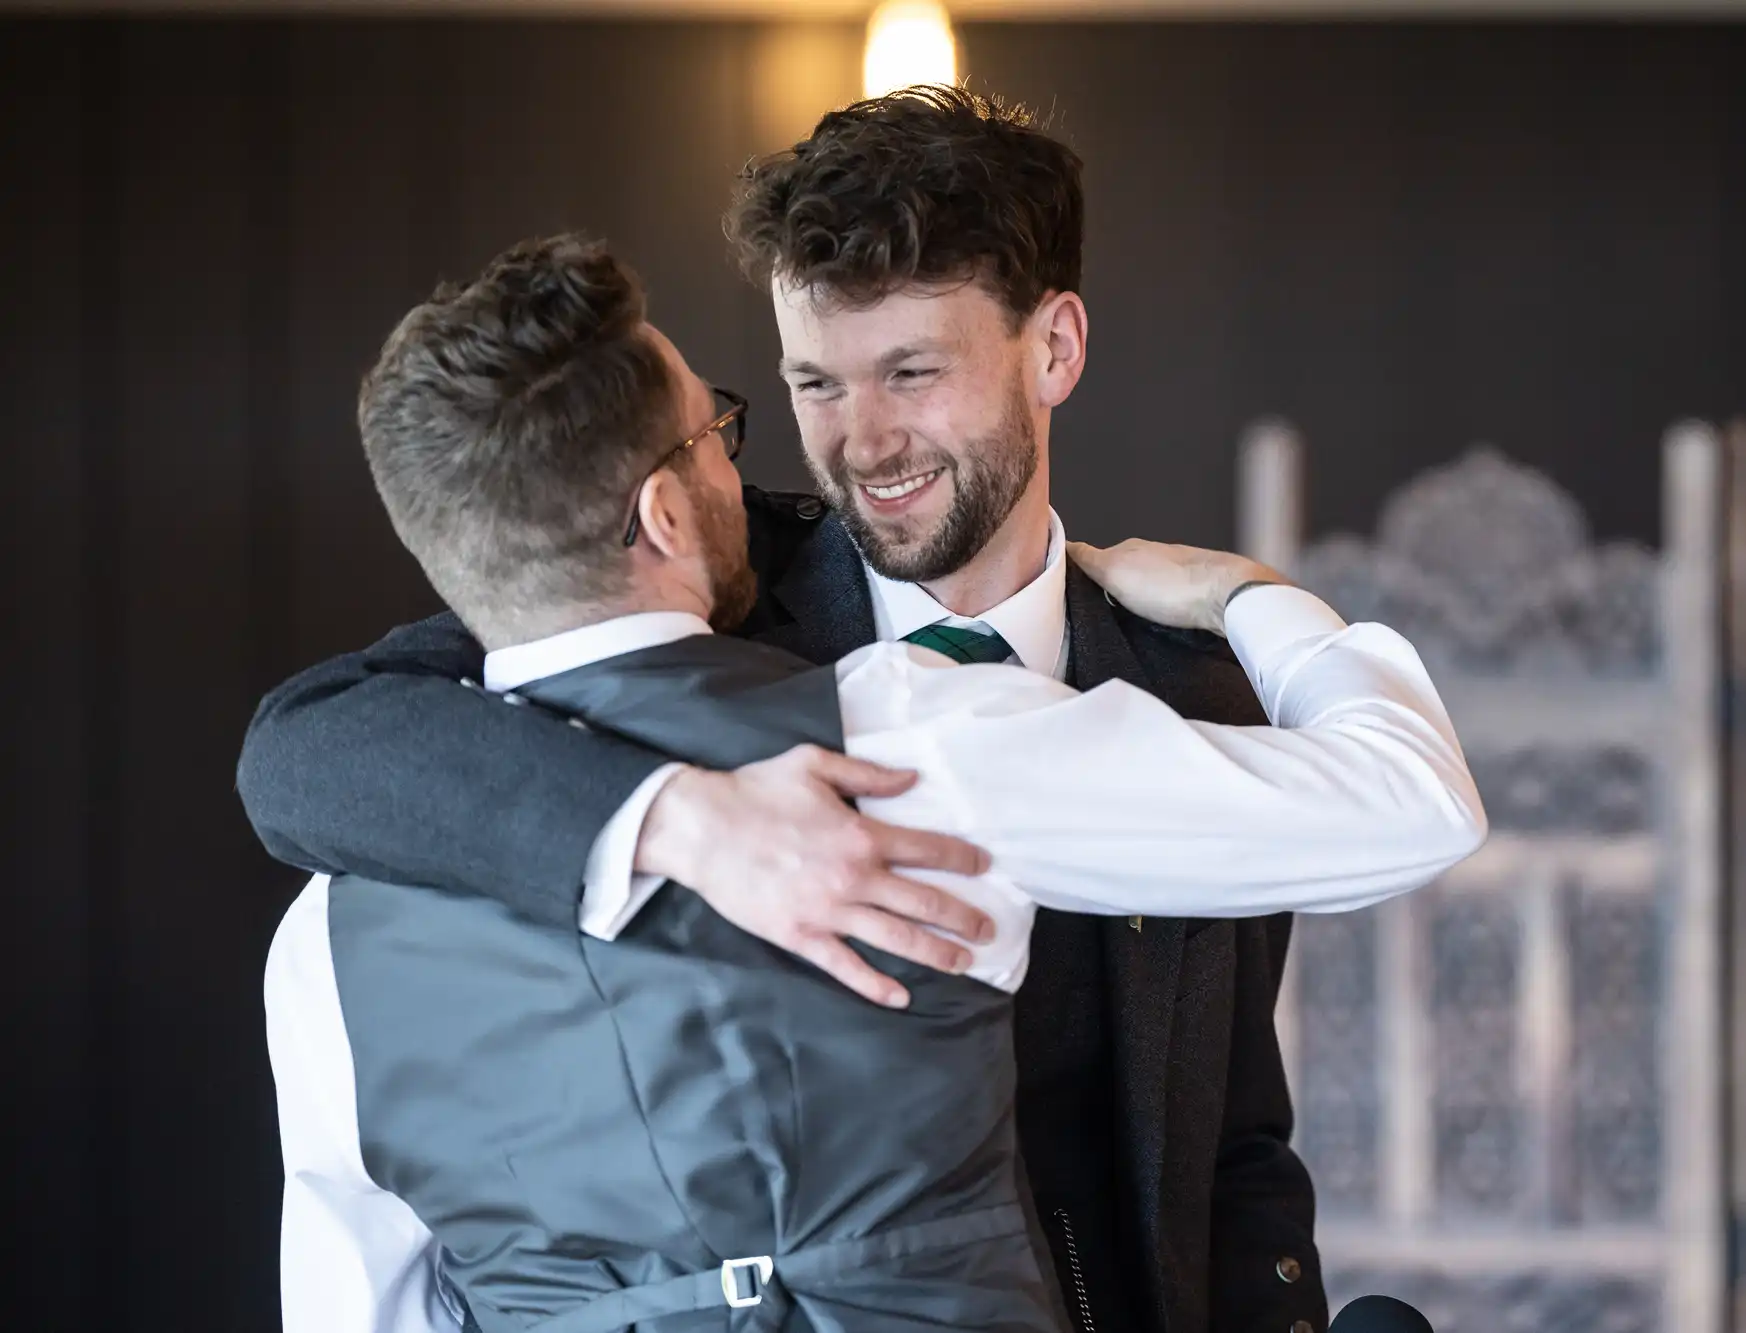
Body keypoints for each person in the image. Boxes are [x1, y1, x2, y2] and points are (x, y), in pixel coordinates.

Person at [239, 87, 1372, 1332]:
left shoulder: (1184, 684)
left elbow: (1234, 1144)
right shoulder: (702, 608)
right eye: (812, 383)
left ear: (1053, 349)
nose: (862, 441)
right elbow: (315, 742)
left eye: (910, 372)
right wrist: (676, 814)